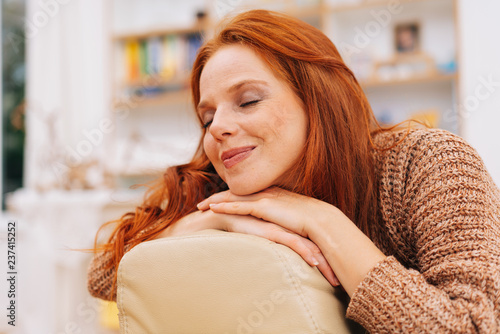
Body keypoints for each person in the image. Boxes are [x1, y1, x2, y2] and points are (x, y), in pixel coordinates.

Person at [88, 10, 500, 333]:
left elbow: (474, 327)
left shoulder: (425, 162)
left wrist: (323, 221)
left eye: (248, 101)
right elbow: (104, 275)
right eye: (206, 116)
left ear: (318, 99)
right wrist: (212, 220)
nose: (218, 129)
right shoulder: (221, 187)